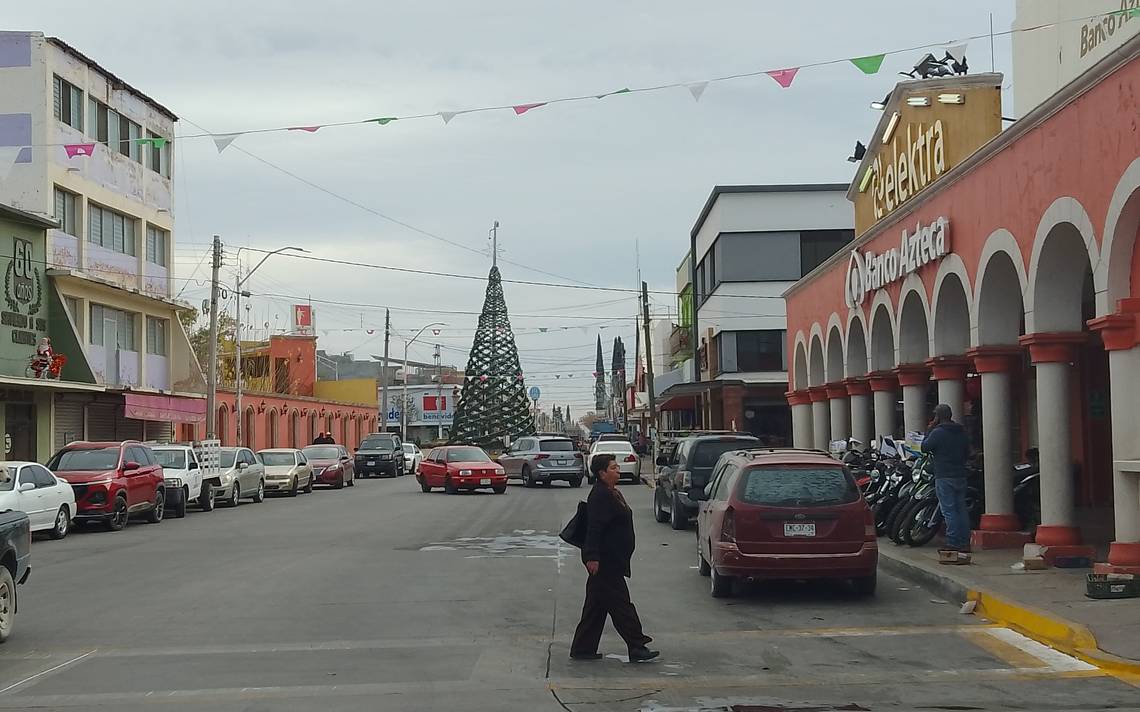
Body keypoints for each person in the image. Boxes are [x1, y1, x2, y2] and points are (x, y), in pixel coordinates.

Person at [570, 453, 658, 662]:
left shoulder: (611, 492)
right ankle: (636, 645)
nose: (617, 470)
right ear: (602, 473)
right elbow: (594, 528)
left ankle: (583, 648)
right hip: (605, 561)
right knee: (621, 605)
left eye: (617, 467)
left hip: (613, 559)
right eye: (613, 468)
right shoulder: (600, 495)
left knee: (596, 606)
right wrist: (592, 556)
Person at [921, 403, 972, 552]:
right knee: (961, 509)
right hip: (960, 474)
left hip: (944, 475)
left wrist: (929, 429)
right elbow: (967, 452)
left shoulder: (938, 432)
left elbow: (925, 447)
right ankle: (964, 541)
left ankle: (954, 542)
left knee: (949, 510)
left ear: (938, 416)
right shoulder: (961, 431)